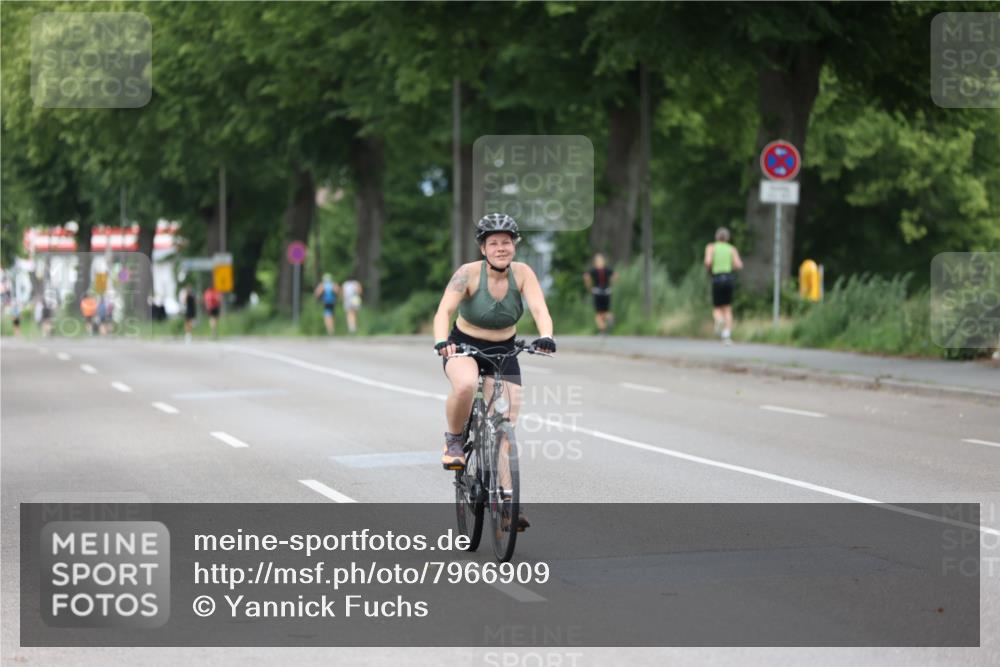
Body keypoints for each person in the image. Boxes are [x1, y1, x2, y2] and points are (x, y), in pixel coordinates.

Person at [433, 213, 557, 530]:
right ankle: (455, 439)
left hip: (505, 349)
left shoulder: (524, 273)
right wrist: (441, 341)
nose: (501, 248)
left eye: (506, 242)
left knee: (505, 426)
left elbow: (540, 308)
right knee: (465, 384)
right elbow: (444, 310)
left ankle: (505, 501)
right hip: (464, 347)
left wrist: (546, 336)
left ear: (513, 245)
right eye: (494, 243)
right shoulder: (467, 274)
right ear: (483, 248)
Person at [704, 226, 743, 344]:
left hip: (717, 279)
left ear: (717, 237)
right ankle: (726, 335)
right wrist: (730, 265)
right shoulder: (731, 249)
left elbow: (708, 262)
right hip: (728, 279)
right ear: (727, 238)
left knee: (717, 308)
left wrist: (710, 268)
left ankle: (719, 320)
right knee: (728, 308)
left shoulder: (711, 247)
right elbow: (739, 265)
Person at [583, 253, 616, 335]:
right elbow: (616, 275)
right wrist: (611, 283)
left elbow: (586, 277)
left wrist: (589, 287)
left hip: (597, 292)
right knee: (605, 311)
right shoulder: (607, 269)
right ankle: (610, 317)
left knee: (598, 314)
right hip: (607, 292)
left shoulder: (594, 270)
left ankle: (603, 330)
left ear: (595, 262)